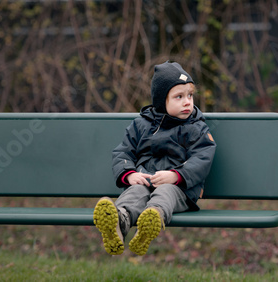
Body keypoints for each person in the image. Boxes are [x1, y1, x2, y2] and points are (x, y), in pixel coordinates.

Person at [93, 61, 217, 256]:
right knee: (134, 192)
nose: (187, 102)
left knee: (165, 192)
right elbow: (123, 152)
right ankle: (119, 221)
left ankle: (151, 220)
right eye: (179, 97)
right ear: (161, 101)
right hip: (145, 180)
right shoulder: (141, 125)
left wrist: (177, 176)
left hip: (180, 190)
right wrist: (129, 174)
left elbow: (202, 157)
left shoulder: (196, 128)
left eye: (190, 95)